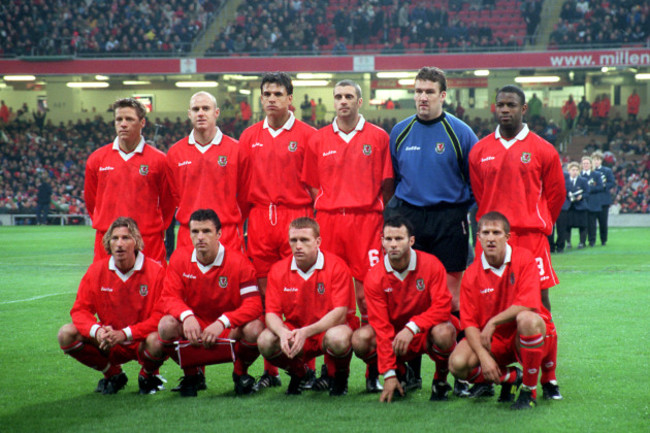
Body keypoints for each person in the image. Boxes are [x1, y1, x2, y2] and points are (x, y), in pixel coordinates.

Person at [239, 72, 317, 388]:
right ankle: (271, 371)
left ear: (290, 99)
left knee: (299, 295)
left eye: (278, 93)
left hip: (295, 218)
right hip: (259, 221)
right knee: (263, 295)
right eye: (266, 93)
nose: (271, 98)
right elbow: (242, 189)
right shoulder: (248, 136)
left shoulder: (309, 135)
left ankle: (306, 368)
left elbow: (315, 188)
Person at [387, 66, 477, 317]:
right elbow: (394, 177)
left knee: (451, 298)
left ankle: (454, 355)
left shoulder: (460, 132)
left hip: (449, 218)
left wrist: (459, 210)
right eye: (418, 91)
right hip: (411, 219)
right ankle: (410, 354)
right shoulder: (400, 131)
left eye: (429, 91)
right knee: (412, 294)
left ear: (443, 95)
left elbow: (476, 180)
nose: (423, 97)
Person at [144, 209, 264, 397]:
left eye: (206, 231)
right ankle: (193, 376)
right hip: (196, 326)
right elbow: (169, 297)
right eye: (195, 231)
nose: (200, 237)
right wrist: (187, 316)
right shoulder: (179, 258)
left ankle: (241, 373)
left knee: (255, 328)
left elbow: (254, 305)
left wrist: (223, 322)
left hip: (227, 328)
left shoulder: (239, 262)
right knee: (166, 325)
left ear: (219, 234)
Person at [449, 212, 561, 410]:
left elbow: (528, 304)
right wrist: (483, 357)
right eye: (485, 233)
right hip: (492, 340)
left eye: (496, 232)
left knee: (528, 320)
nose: (491, 238)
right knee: (457, 364)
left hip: (522, 334)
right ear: (478, 237)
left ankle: (528, 389)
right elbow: (469, 324)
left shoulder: (525, 259)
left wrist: (493, 322)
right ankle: (511, 377)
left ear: (507, 237)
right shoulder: (471, 274)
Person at [469, 85, 566, 312]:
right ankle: (493, 347)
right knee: (488, 299)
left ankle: (544, 345)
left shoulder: (544, 149)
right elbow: (480, 193)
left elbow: (556, 194)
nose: (505, 110)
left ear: (523, 108)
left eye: (511, 105)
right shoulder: (479, 150)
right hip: (492, 236)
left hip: (530, 236)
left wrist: (536, 219)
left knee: (539, 300)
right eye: (501, 105)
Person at [352, 216, 458, 403]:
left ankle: (440, 381)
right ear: (382, 240)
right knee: (360, 339)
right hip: (394, 337)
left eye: (399, 239)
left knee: (445, 332)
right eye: (388, 239)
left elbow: (442, 306)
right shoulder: (375, 277)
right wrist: (389, 375)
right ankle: (400, 373)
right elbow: (381, 327)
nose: (393, 244)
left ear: (411, 241)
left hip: (424, 332)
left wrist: (412, 327)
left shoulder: (431, 264)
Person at [57, 217, 166, 395]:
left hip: (141, 340)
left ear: (137, 241)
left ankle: (147, 375)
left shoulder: (157, 272)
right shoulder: (96, 271)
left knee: (159, 339)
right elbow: (80, 310)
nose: (119, 244)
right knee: (66, 334)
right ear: (108, 242)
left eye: (126, 238)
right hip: (108, 341)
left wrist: (125, 334)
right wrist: (97, 332)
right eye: (114, 238)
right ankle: (113, 374)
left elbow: (160, 317)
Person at [257, 217, 357, 396]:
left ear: (318, 241)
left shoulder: (337, 266)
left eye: (304, 240)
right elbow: (271, 313)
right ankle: (300, 373)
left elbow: (340, 313)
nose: (298, 246)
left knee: (339, 338)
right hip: (296, 331)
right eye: (293, 240)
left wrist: (306, 332)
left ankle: (339, 377)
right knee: (265, 340)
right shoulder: (278, 270)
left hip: (326, 331)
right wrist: (283, 333)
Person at [84, 98, 174, 265]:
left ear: (142, 123)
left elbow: (168, 205)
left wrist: (150, 228)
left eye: (129, 119)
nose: (123, 124)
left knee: (153, 290)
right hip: (107, 241)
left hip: (148, 241)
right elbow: (91, 202)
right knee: (107, 289)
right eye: (119, 119)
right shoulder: (97, 159)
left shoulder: (160, 161)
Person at [166, 91, 248, 253]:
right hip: (189, 235)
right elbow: (175, 196)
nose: (201, 113)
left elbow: (245, 195)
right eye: (196, 109)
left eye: (206, 108)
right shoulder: (175, 153)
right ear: (189, 114)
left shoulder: (236, 149)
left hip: (227, 234)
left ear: (216, 112)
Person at [591, 151, 615, 246]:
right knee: (591, 222)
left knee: (603, 222)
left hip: (603, 199)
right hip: (592, 200)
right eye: (594, 160)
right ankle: (592, 240)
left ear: (601, 161)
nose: (596, 162)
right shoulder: (590, 171)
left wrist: (603, 186)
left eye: (598, 160)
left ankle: (603, 240)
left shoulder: (607, 171)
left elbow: (611, 182)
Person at [564, 162, 589, 248]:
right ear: (569, 171)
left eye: (576, 170)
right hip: (569, 206)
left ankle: (582, 242)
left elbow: (587, 192)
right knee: (567, 226)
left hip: (580, 206)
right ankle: (568, 242)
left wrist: (581, 196)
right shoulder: (565, 181)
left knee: (582, 225)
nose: (575, 172)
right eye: (573, 170)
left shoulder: (583, 180)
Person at [580, 156, 604, 247]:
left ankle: (592, 241)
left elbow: (601, 187)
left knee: (592, 223)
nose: (585, 165)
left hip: (593, 202)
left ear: (591, 164)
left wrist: (588, 189)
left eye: (587, 163)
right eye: (584, 163)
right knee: (582, 223)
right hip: (582, 202)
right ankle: (582, 241)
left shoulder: (596, 174)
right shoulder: (579, 175)